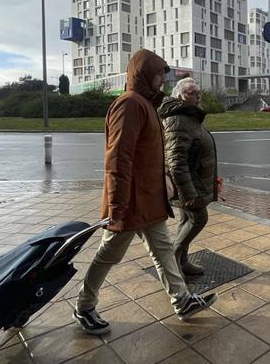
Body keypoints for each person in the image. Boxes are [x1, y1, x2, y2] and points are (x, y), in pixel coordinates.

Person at [73, 50, 216, 335]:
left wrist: (162, 178)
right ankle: (84, 305)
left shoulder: (147, 105)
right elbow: (118, 158)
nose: (164, 79)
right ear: (144, 74)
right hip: (130, 202)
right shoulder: (129, 105)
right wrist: (116, 203)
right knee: (109, 254)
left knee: (163, 250)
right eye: (159, 73)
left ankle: (182, 300)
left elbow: (149, 153)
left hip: (148, 199)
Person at [158, 78, 220, 277]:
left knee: (187, 218)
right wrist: (188, 193)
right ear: (179, 96)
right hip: (189, 184)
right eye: (192, 93)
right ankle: (173, 260)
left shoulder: (188, 116)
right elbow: (176, 161)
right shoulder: (179, 119)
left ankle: (182, 261)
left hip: (195, 181)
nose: (197, 96)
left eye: (198, 92)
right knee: (199, 218)